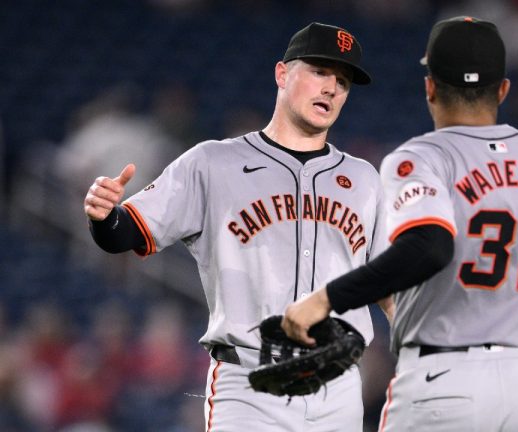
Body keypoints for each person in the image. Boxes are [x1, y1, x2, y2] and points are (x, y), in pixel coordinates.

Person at [282, 16, 518, 431]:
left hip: (444, 381)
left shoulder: (420, 160)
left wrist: (325, 300)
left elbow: (429, 245)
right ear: (502, 89)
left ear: (430, 87)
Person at [83, 22, 392, 431]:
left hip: (339, 389)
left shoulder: (364, 179)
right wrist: (104, 214)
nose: (331, 88)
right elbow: (123, 234)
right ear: (282, 74)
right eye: (319, 71)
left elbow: (391, 286)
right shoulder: (213, 163)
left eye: (343, 80)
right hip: (249, 386)